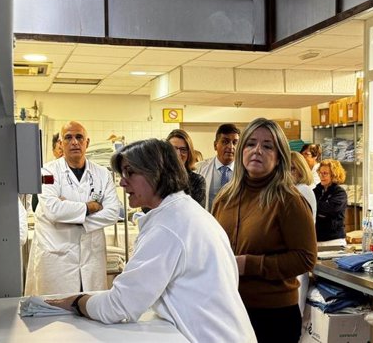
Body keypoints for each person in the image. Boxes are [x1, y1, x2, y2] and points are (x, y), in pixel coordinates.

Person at [47, 139, 256, 343]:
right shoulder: (186, 212)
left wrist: (75, 301)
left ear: (156, 173)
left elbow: (118, 306)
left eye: (130, 172)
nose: (122, 181)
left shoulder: (167, 227)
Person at [213, 118, 316, 343]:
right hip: (229, 310)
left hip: (273, 316)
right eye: (250, 144)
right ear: (241, 151)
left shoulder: (289, 200)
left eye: (267, 146)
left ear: (279, 156)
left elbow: (305, 258)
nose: (257, 150)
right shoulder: (224, 197)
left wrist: (248, 264)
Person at [25, 121, 120, 295]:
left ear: (87, 143)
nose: (74, 142)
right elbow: (53, 210)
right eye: (68, 138)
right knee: (55, 313)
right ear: (61, 144)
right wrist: (90, 207)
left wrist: (76, 218)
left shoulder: (102, 173)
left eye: (79, 137)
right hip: (57, 257)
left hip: (91, 256)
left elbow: (113, 212)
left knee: (91, 310)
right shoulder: (47, 172)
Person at [289, 151, 318, 315]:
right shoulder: (290, 190)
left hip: (297, 255)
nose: (288, 173)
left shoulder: (303, 190)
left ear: (301, 170)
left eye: (293, 169)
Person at [195, 123, 240, 211]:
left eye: (235, 143)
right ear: (215, 145)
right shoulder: (199, 169)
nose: (231, 147)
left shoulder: (246, 171)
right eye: (225, 142)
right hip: (208, 221)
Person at [166, 129, 206, 206]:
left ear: (189, 154)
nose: (178, 154)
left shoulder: (197, 181)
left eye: (183, 150)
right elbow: (146, 208)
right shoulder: (157, 178)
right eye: (173, 149)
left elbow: (197, 212)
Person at [313, 159, 348, 248]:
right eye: (320, 173)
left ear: (334, 175)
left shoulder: (339, 192)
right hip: (317, 239)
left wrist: (317, 208)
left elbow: (329, 209)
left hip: (334, 240)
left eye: (325, 173)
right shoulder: (316, 191)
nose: (322, 176)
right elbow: (308, 207)